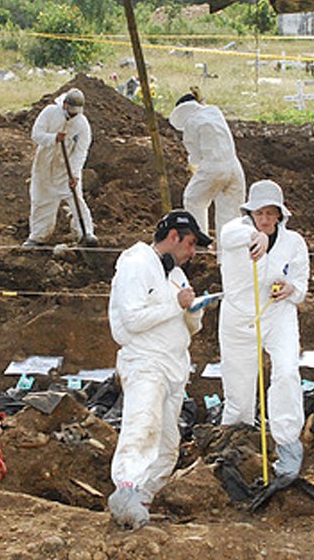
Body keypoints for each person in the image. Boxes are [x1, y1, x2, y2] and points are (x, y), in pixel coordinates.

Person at [107, 210, 212, 529]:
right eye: (191, 243)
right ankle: (125, 493)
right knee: (142, 426)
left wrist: (194, 311)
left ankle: (142, 500)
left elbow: (191, 327)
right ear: (173, 237)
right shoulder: (137, 263)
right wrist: (176, 305)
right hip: (145, 361)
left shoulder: (178, 275)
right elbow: (132, 320)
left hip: (174, 366)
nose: (193, 253)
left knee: (167, 444)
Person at [217, 180, 309, 481]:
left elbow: (301, 284)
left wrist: (291, 289)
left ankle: (287, 442)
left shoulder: (294, 242)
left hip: (277, 315)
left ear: (280, 215)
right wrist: (253, 236)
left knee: (285, 371)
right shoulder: (236, 232)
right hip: (238, 320)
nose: (265, 219)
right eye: (260, 213)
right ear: (250, 212)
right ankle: (237, 442)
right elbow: (229, 235)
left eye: (271, 213)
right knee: (239, 388)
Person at [169, 88, 246, 239]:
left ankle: (199, 243)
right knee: (230, 213)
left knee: (193, 200)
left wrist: (194, 166)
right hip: (235, 167)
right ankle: (228, 254)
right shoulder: (214, 112)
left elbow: (196, 156)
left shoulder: (191, 123)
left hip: (213, 167)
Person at [24, 88, 97, 247]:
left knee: (76, 199)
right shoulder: (50, 112)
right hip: (44, 165)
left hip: (67, 169)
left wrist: (75, 175)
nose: (72, 116)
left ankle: (85, 233)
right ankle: (38, 236)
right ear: (64, 105)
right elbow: (36, 134)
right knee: (42, 200)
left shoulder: (82, 124)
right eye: (70, 112)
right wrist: (54, 138)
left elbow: (80, 151)